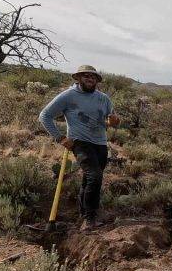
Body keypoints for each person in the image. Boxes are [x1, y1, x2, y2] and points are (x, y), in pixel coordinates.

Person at [39, 65, 120, 231]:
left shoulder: (103, 98)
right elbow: (44, 116)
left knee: (89, 179)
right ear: (78, 78)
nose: (90, 79)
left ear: (97, 80)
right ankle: (90, 218)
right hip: (80, 142)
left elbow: (108, 122)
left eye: (93, 77)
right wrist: (60, 137)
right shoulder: (68, 96)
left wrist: (113, 122)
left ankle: (83, 215)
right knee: (95, 176)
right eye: (86, 76)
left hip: (100, 143)